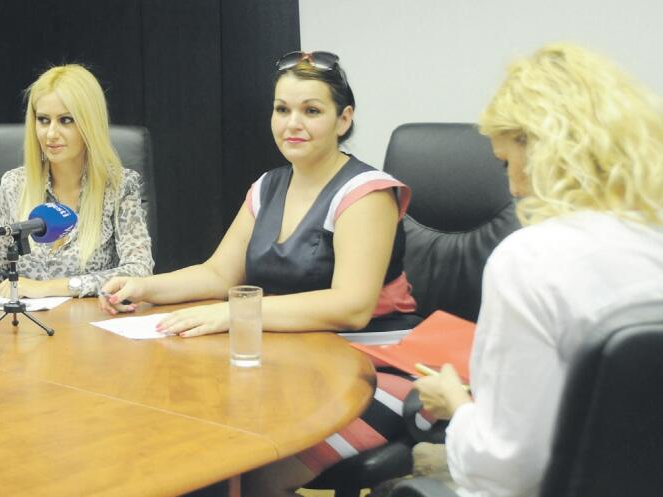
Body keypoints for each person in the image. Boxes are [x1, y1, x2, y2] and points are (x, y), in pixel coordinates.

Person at [100, 51, 420, 496]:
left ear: (344, 119)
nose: (293, 124)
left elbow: (351, 306)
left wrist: (236, 313)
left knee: (251, 470)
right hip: (297, 362)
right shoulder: (267, 186)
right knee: (200, 447)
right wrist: (144, 287)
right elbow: (218, 274)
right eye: (282, 109)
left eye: (312, 111)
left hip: (375, 371)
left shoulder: (366, 193)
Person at [413, 43, 663, 497]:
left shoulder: (529, 259)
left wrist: (457, 405)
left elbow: (508, 471)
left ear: (547, 148)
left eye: (507, 162)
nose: (512, 187)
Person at [0, 64, 153, 299]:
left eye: (66, 120)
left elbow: (139, 270)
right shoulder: (14, 184)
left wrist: (51, 288)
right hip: (26, 319)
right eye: (43, 120)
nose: (51, 133)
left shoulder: (119, 186)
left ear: (89, 124)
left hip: (90, 319)